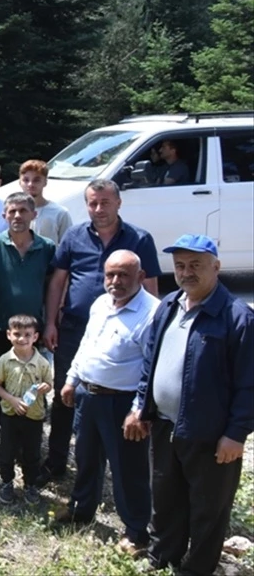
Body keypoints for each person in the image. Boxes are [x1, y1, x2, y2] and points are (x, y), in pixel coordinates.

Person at [125, 234, 252, 575]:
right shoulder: (168, 305)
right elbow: (150, 363)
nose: (186, 273)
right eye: (180, 266)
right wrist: (141, 405)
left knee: (208, 509)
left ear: (216, 267)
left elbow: (249, 384)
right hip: (165, 425)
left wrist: (236, 434)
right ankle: (162, 557)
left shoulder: (237, 317)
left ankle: (196, 569)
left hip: (211, 435)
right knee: (166, 500)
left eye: (196, 265)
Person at [42, 179, 161, 480]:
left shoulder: (139, 239)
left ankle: (116, 473)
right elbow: (58, 280)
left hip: (123, 335)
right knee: (65, 396)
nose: (98, 209)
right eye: (92, 203)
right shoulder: (74, 236)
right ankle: (56, 464)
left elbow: (150, 288)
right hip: (74, 330)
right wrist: (50, 322)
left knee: (117, 401)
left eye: (105, 202)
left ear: (118, 203)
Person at [54, 250, 158, 555]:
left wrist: (139, 409)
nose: (115, 281)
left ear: (140, 277)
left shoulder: (151, 313)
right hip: (89, 395)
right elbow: (87, 344)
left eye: (124, 275)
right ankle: (81, 509)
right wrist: (72, 379)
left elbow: (152, 369)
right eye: (110, 274)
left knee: (128, 469)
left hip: (122, 403)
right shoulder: (101, 303)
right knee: (86, 458)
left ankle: (137, 531)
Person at [0, 192, 55, 464]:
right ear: (4, 215)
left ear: (34, 214)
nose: (17, 216)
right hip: (0, 327)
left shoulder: (46, 248)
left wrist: (49, 324)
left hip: (32, 330)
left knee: (32, 383)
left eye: (23, 211)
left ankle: (28, 439)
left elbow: (53, 288)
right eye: (11, 211)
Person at [0, 314, 53, 505]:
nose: (22, 339)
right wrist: (12, 399)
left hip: (34, 416)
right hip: (10, 414)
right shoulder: (4, 360)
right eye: (17, 334)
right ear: (9, 335)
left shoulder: (42, 362)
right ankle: (7, 482)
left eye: (27, 334)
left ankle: (30, 485)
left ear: (35, 337)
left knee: (32, 453)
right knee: (7, 451)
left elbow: (49, 384)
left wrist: (45, 387)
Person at [17, 160, 72, 245]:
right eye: (26, 180)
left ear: (45, 182)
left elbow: (69, 246)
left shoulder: (60, 213)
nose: (30, 184)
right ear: (20, 182)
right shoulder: (13, 213)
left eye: (36, 180)